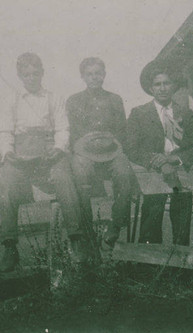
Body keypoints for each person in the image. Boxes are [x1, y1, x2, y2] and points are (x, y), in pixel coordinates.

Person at [0, 52, 85, 272]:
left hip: (48, 151)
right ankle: (9, 245)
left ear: (42, 73)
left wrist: (58, 148)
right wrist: (8, 152)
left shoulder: (54, 98)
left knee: (64, 177)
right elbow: (5, 130)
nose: (31, 78)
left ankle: (76, 238)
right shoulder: (11, 98)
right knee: (8, 183)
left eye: (35, 73)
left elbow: (63, 128)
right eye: (26, 74)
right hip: (21, 153)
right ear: (20, 76)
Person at [125, 60, 193, 246]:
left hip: (179, 173)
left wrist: (174, 159)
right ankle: (149, 266)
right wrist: (158, 161)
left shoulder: (184, 113)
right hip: (152, 173)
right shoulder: (139, 113)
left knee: (182, 216)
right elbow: (131, 147)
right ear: (151, 88)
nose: (162, 88)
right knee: (151, 216)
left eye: (166, 83)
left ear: (173, 86)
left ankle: (180, 265)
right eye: (157, 84)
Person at [66, 57, 138, 248]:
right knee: (80, 173)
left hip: (111, 149)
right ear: (83, 77)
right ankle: (86, 228)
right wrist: (87, 142)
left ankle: (116, 224)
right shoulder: (74, 101)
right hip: (85, 150)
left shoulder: (114, 99)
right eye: (89, 74)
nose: (94, 77)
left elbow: (122, 129)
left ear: (104, 75)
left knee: (124, 171)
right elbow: (73, 133)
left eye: (98, 73)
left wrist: (111, 142)